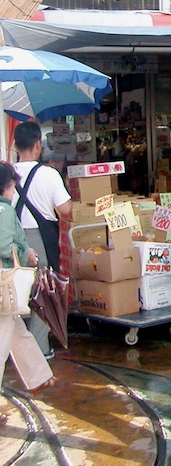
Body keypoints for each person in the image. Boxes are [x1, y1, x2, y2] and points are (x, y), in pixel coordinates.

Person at [0, 161, 55, 426]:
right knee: (1, 344)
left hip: (4, 290)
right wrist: (26, 253)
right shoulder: (4, 210)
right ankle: (38, 378)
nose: (13, 193)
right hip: (3, 284)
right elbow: (3, 245)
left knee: (17, 331)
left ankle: (39, 377)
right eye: (12, 187)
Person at [12, 122, 72, 360]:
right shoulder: (49, 174)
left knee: (13, 293)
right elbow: (65, 210)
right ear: (38, 145)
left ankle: (12, 347)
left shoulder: (5, 173)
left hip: (10, 240)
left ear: (15, 145)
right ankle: (38, 348)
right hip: (40, 240)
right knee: (43, 293)